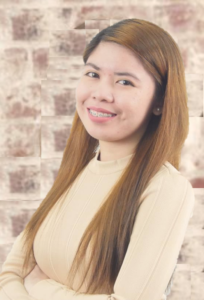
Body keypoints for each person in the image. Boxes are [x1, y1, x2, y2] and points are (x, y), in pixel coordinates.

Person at [0, 18, 195, 300]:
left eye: (124, 81)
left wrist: (41, 287)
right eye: (93, 74)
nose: (101, 94)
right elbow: (9, 274)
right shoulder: (76, 171)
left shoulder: (166, 189)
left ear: (160, 102)